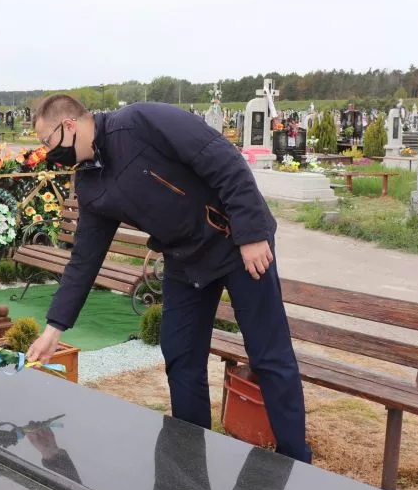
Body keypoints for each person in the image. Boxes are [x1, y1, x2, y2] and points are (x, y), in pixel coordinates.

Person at [25, 94, 311, 463]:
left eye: (47, 142)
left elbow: (223, 159)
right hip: (185, 260)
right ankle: (189, 466)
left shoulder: (142, 122)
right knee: (181, 357)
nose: (47, 152)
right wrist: (54, 328)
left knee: (268, 354)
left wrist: (252, 233)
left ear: (68, 125)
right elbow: (84, 260)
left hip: (235, 243)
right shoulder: (90, 183)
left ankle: (297, 461)